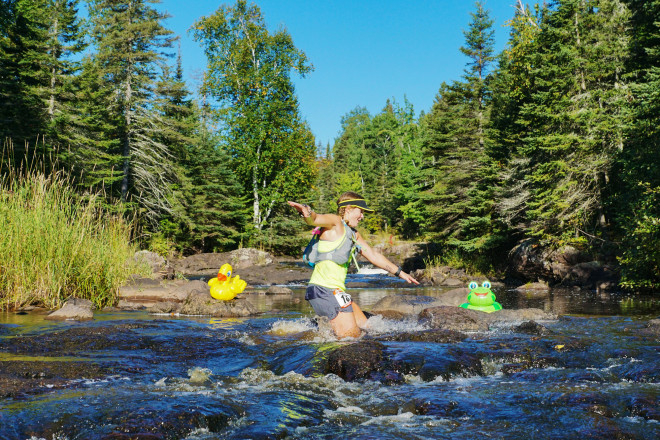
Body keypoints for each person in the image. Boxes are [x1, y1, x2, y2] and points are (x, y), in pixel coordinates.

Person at [288, 191, 419, 339]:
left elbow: (373, 255)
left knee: (369, 328)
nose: (362, 216)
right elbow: (315, 219)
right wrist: (306, 211)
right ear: (349, 209)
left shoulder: (354, 235)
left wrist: (400, 273)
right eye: (361, 211)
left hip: (337, 292)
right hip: (324, 290)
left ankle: (289, 331)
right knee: (351, 339)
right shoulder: (335, 223)